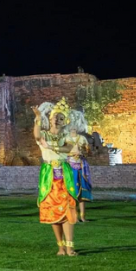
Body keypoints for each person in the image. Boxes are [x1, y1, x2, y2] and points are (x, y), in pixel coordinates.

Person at [33, 98, 79, 256]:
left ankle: (70, 247)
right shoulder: (44, 135)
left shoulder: (66, 136)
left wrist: (52, 146)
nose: (58, 120)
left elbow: (72, 149)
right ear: (50, 118)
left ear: (64, 121)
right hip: (49, 176)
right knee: (53, 211)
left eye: (61, 118)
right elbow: (37, 135)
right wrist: (38, 119)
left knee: (69, 210)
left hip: (64, 175)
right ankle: (60, 246)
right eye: (55, 117)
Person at [65, 125, 92, 221]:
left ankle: (83, 217)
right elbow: (61, 151)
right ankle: (74, 217)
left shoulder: (83, 138)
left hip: (81, 166)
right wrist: (71, 154)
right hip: (70, 166)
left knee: (82, 193)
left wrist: (83, 153)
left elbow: (89, 152)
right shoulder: (65, 138)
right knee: (73, 192)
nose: (73, 128)